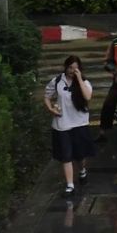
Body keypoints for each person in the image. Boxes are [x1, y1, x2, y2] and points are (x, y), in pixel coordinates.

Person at [44, 55, 95, 196]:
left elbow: (87, 97)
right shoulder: (57, 81)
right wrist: (50, 109)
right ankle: (70, 185)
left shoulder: (84, 82)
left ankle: (82, 170)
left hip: (79, 123)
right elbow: (47, 96)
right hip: (62, 124)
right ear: (65, 67)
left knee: (80, 155)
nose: (72, 71)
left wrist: (79, 79)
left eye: (76, 68)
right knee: (66, 155)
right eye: (70, 68)